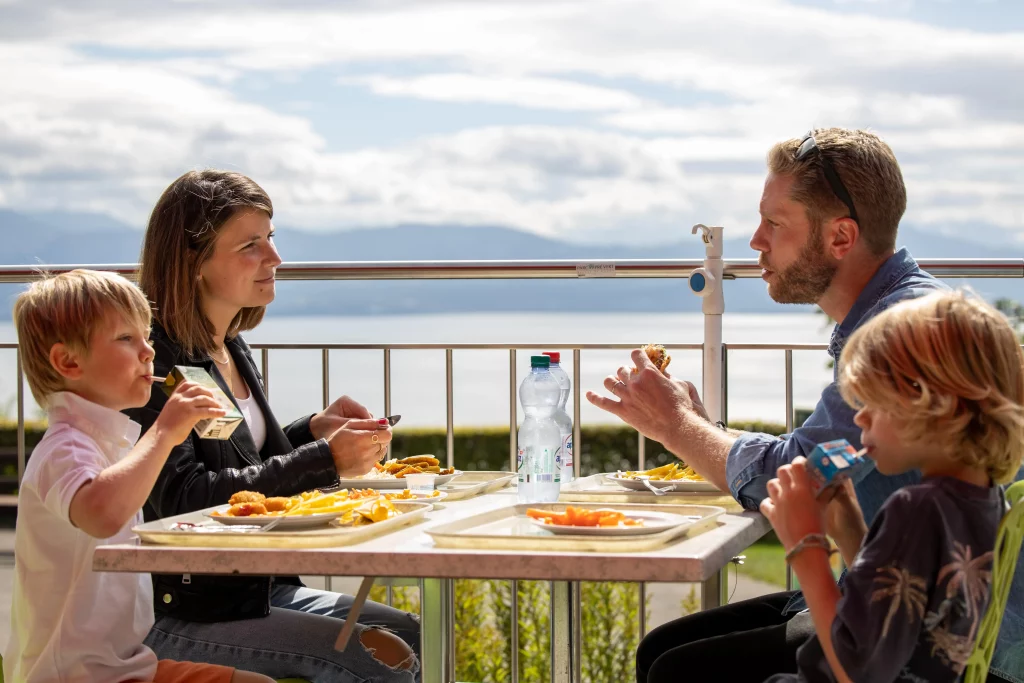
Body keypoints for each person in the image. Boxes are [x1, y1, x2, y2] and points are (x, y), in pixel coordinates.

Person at [588, 127, 958, 682]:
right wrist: (701, 426)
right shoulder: (911, 308)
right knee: (662, 649)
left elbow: (797, 476)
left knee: (677, 669)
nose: (756, 241)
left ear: (840, 237)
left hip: (940, 638)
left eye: (775, 224)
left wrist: (676, 426)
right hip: (889, 594)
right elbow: (810, 459)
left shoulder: (899, 332)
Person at [126, 170, 420, 682]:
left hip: (251, 588)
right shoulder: (157, 361)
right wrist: (325, 460)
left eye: (271, 238)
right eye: (250, 245)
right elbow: (186, 496)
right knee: (370, 660)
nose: (275, 259)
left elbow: (240, 462)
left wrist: (312, 432)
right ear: (194, 263)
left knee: (414, 633)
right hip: (186, 608)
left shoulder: (228, 348)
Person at [5, 269, 274, 683]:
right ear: (68, 362)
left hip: (127, 665)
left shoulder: (113, 443)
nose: (149, 352)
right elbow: (101, 514)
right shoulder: (65, 447)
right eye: (126, 339)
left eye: (146, 337)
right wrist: (165, 431)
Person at [761, 290, 1024, 682]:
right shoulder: (983, 498)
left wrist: (807, 546)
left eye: (873, 402)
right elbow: (905, 607)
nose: (861, 418)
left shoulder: (916, 508)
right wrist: (850, 527)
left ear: (937, 403)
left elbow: (857, 669)